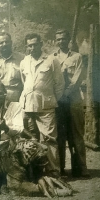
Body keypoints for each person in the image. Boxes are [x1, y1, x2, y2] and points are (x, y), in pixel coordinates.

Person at [19, 33, 65, 177]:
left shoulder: (51, 60)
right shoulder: (24, 61)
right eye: (29, 45)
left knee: (49, 139)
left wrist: (49, 99)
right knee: (28, 138)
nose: (32, 48)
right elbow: (24, 82)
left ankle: (53, 172)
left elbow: (59, 84)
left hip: (46, 106)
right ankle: (33, 172)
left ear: (41, 44)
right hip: (28, 106)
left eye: (35, 44)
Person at [52, 29, 89, 177]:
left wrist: (65, 94)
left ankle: (81, 168)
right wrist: (58, 97)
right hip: (58, 102)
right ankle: (60, 168)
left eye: (64, 39)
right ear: (56, 41)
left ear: (69, 41)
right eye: (58, 39)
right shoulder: (51, 58)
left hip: (73, 100)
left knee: (76, 135)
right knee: (60, 135)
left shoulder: (77, 57)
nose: (61, 41)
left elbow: (77, 78)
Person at [0, 81, 34, 155]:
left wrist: (6, 128)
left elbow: (19, 130)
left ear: (5, 94)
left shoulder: (15, 106)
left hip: (11, 145)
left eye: (0, 94)